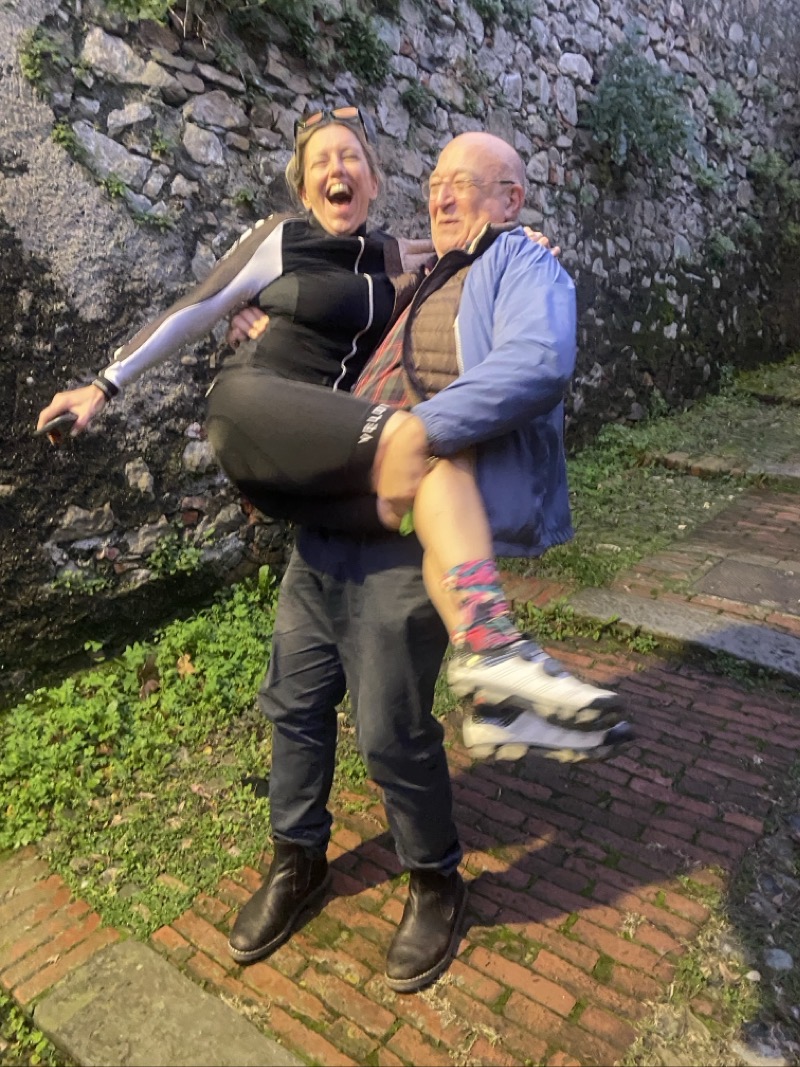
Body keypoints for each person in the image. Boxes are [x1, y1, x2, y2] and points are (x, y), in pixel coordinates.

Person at [36, 106, 628, 752]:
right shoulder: (289, 239)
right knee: (412, 445)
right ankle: (494, 653)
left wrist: (521, 236)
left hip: (349, 474)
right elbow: (197, 305)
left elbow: (477, 259)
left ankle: (492, 680)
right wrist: (105, 383)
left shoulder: (413, 258)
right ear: (302, 187)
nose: (335, 169)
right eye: (319, 161)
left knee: (429, 490)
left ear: (373, 182)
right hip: (271, 419)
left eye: (350, 158)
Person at [223, 129, 632, 994]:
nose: (441, 194)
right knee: (293, 701)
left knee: (390, 726)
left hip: (413, 536)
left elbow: (539, 360)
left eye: (465, 183)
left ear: (511, 199)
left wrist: (421, 428)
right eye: (436, 181)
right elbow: (326, 312)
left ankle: (435, 875)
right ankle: (298, 857)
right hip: (332, 519)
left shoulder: (520, 261)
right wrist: (253, 311)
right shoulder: (410, 282)